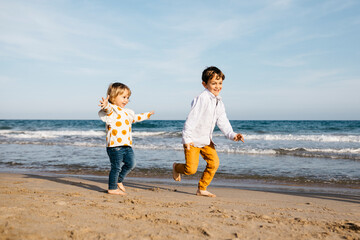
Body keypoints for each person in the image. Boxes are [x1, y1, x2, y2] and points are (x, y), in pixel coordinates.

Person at [173, 66, 244, 197]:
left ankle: (202, 188)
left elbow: (222, 121)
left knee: (214, 163)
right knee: (190, 169)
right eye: (213, 83)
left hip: (206, 141)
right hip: (193, 140)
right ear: (205, 84)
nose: (217, 86)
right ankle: (176, 167)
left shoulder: (219, 102)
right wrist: (187, 138)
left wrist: (232, 135)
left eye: (220, 83)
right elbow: (191, 118)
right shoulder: (202, 98)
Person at [98, 82, 154, 195]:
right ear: (113, 97)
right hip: (114, 146)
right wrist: (106, 105)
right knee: (116, 167)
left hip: (126, 145)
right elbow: (108, 109)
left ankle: (118, 180)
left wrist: (147, 114)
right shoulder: (112, 111)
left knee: (131, 164)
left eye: (128, 97)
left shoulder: (127, 112)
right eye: (123, 97)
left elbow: (136, 117)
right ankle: (112, 188)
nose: (126, 100)